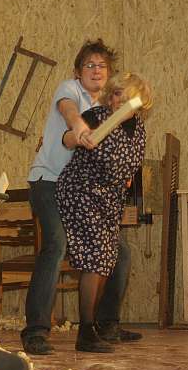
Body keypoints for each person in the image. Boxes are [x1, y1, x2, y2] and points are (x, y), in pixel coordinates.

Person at [22, 39, 142, 355]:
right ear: (78, 72)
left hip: (84, 192)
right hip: (50, 182)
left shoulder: (110, 106)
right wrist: (78, 128)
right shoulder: (70, 89)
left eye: (102, 66)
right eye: (89, 65)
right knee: (56, 244)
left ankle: (106, 325)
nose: (96, 70)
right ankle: (35, 331)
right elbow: (69, 112)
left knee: (120, 252)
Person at [57, 72, 152, 352]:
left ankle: (100, 326)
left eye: (124, 95)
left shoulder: (138, 129)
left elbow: (129, 169)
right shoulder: (97, 117)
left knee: (109, 258)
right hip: (81, 192)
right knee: (96, 257)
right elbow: (66, 139)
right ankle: (86, 332)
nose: (117, 99)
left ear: (139, 102)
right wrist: (78, 136)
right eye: (115, 93)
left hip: (109, 200)